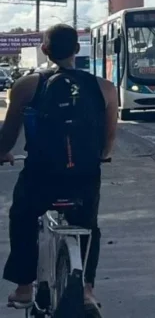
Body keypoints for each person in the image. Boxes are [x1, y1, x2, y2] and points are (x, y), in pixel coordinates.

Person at [0, 24, 118, 312]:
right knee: (89, 226)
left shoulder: (28, 85)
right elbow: (109, 138)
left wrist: (3, 153)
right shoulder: (104, 88)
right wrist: (101, 156)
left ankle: (25, 287)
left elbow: (9, 133)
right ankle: (87, 290)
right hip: (84, 175)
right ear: (77, 50)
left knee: (23, 216)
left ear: (45, 50)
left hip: (40, 174)